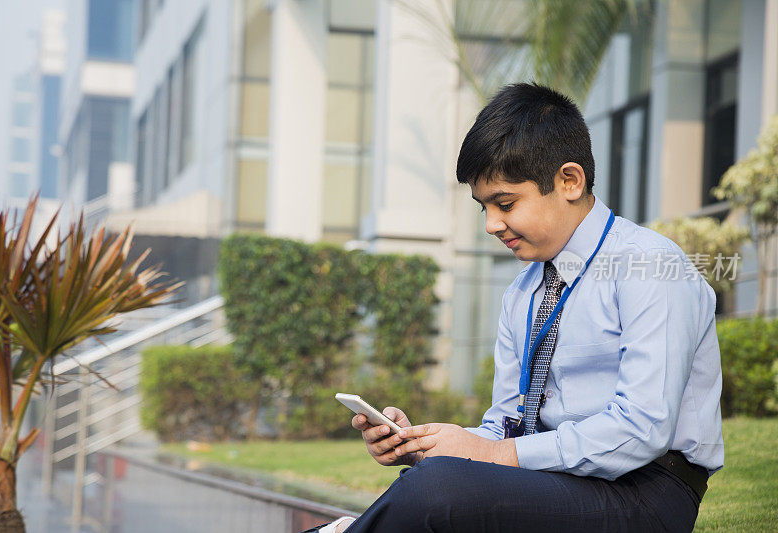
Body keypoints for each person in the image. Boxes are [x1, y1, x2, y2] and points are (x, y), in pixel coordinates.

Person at [304, 83, 723, 533]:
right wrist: (429, 446)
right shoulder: (523, 292)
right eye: (483, 207)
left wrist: (489, 456)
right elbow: (507, 428)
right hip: (556, 481)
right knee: (433, 477)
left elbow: (642, 428)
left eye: (505, 203)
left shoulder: (650, 266)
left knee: (438, 492)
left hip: (647, 495)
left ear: (569, 181)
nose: (491, 225)